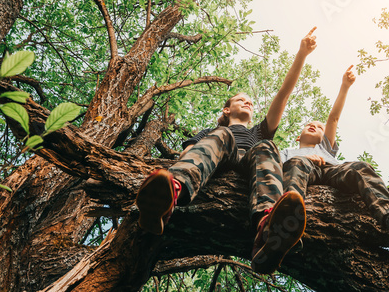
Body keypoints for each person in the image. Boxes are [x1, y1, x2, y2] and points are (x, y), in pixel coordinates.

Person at [136, 26, 319, 274]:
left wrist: (302, 54)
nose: (247, 102)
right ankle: (168, 198)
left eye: (251, 102)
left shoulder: (259, 133)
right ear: (226, 109)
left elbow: (283, 95)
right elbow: (188, 154)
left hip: (251, 164)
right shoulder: (211, 132)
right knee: (221, 134)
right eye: (240, 99)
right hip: (221, 157)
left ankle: (268, 226)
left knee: (267, 146)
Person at [279, 66, 389, 254]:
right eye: (309, 125)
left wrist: (345, 86)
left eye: (319, 127)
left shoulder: (325, 148)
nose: (313, 126)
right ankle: (288, 223)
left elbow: (333, 118)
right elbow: (276, 171)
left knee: (360, 167)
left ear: (324, 137)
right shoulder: (288, 152)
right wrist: (302, 157)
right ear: (298, 137)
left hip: (329, 172)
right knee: (297, 163)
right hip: (301, 170)